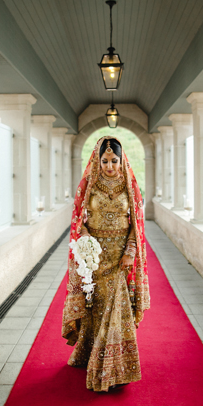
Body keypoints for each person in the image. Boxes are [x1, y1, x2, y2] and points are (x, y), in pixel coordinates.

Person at [62, 136, 150, 392]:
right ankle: (91, 354)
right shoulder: (89, 185)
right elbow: (79, 220)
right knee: (96, 306)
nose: (109, 165)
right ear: (97, 160)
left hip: (119, 257)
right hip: (96, 258)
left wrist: (131, 251)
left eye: (114, 160)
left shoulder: (130, 187)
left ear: (122, 160)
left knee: (116, 305)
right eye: (105, 160)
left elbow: (137, 224)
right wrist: (86, 240)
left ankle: (114, 367)